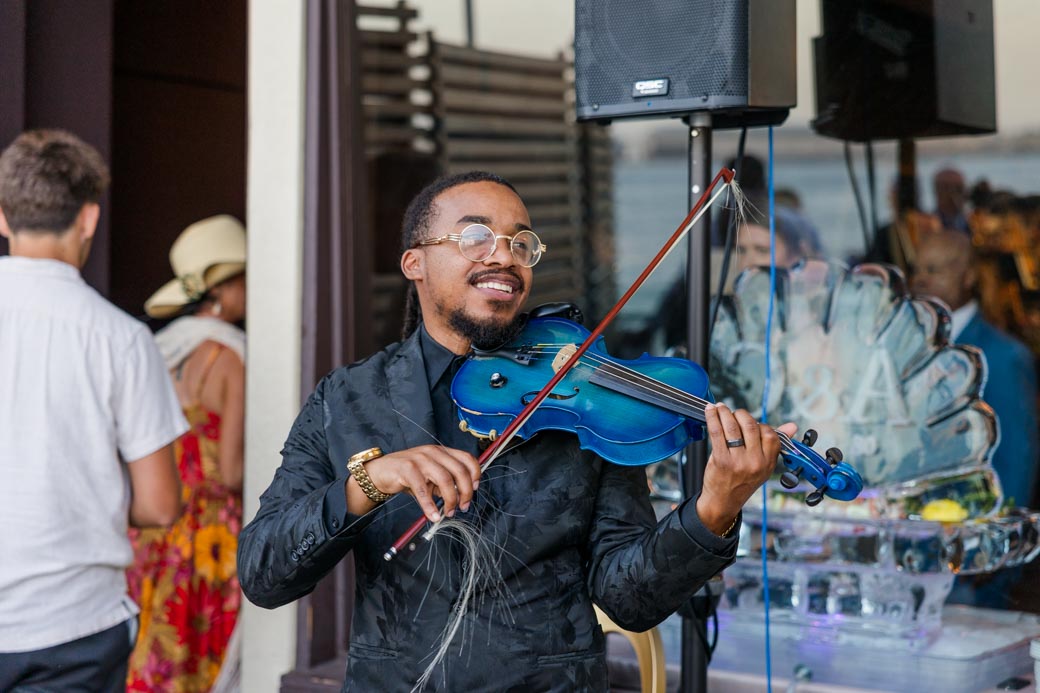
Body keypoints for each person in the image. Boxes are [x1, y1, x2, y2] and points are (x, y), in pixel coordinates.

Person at [238, 171, 796, 690]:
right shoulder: (348, 398)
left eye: (520, 243)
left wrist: (714, 510)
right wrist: (369, 481)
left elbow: (630, 599)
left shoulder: (582, 399)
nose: (503, 256)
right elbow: (264, 574)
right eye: (475, 238)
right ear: (415, 263)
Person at [0, 129, 186, 691]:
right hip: (71, 625)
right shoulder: (121, 339)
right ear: (88, 219)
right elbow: (158, 505)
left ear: (4, 218)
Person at [127, 215, 247, 692]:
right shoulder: (230, 358)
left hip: (154, 530)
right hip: (209, 536)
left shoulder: (158, 351)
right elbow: (233, 470)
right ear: (224, 287)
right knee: (201, 660)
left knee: (153, 653)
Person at [911, 228, 1039, 609]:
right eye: (917, 269)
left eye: (935, 269)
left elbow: (1018, 456)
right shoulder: (908, 348)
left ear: (968, 276)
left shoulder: (1002, 355)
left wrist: (993, 551)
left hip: (975, 565)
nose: (921, 280)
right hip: (915, 549)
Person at [933, 167, 970, 234]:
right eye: (946, 188)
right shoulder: (927, 224)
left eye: (959, 188)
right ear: (937, 191)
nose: (953, 194)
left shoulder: (973, 222)